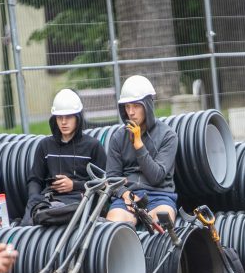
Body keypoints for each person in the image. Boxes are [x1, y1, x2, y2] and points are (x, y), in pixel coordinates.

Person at [21, 89, 106, 226]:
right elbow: (35, 179)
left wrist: (74, 185)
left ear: (78, 118)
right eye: (59, 117)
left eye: (68, 117)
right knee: (30, 218)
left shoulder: (93, 146)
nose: (63, 122)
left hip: (79, 201)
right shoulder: (45, 145)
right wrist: (34, 198)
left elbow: (103, 183)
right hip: (49, 200)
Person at [105, 75, 179, 226]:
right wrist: (125, 194)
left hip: (160, 196)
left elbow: (156, 177)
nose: (131, 112)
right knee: (113, 227)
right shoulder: (118, 137)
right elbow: (112, 177)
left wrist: (139, 145)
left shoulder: (168, 136)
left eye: (136, 106)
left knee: (162, 225)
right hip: (127, 197)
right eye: (127, 106)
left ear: (148, 106)